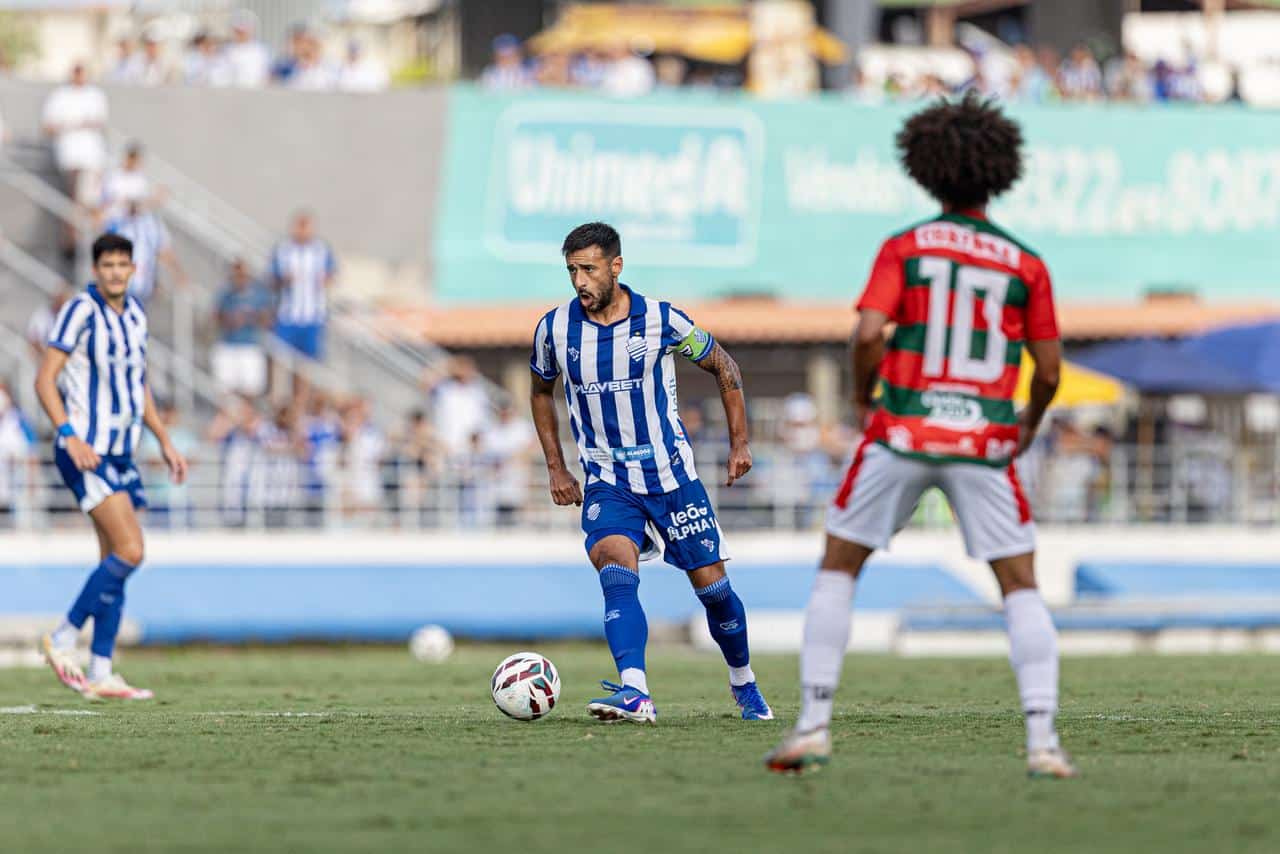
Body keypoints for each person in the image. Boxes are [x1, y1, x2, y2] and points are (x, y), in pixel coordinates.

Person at [764, 94, 1075, 778]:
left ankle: (813, 726)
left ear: (926, 168)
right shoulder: (1025, 264)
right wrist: (1025, 424)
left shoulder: (905, 247)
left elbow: (868, 333)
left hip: (900, 432)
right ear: (1000, 170)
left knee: (839, 566)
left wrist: (862, 397)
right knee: (1020, 585)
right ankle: (1043, 744)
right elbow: (1050, 371)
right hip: (984, 443)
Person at [530, 221, 772, 724]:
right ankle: (635, 691)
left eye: (589, 269)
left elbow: (725, 366)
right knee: (613, 567)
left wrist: (739, 442)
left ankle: (743, 682)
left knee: (714, 591)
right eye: (572, 271)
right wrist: (556, 467)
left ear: (616, 266)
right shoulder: (554, 328)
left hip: (671, 476)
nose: (579, 281)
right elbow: (539, 391)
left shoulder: (662, 319)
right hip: (607, 479)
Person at [35, 233, 188, 700]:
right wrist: (68, 434)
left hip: (120, 452)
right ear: (96, 269)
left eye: (123, 264)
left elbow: (137, 384)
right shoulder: (81, 311)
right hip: (86, 450)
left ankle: (101, 671)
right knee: (131, 550)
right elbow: (45, 379)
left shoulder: (136, 314)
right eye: (108, 264)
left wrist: (164, 439)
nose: (116, 272)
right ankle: (63, 637)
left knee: (113, 561)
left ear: (134, 269)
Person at [269, 211, 337, 361]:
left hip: (313, 315)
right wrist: (284, 280)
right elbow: (272, 280)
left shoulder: (321, 249)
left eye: (305, 227)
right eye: (299, 226)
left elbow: (332, 274)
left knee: (307, 362)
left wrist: (325, 280)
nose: (302, 231)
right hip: (288, 315)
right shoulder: (283, 249)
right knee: (280, 358)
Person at [41, 63, 109, 205]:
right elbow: (48, 126)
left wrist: (73, 124)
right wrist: (73, 125)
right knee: (75, 194)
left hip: (91, 154)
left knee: (88, 195)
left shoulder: (95, 95)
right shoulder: (60, 95)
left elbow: (99, 122)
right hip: (68, 152)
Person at [105, 201, 185, 306]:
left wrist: (177, 276)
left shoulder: (151, 224)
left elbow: (162, 252)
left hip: (141, 287)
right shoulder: (117, 221)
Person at [213, 258, 273, 397]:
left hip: (250, 345)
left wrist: (250, 317)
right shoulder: (225, 294)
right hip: (228, 345)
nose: (239, 279)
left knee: (250, 390)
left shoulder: (259, 295)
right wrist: (230, 320)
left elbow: (267, 320)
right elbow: (215, 316)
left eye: (242, 275)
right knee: (225, 392)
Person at [224, 13, 271, 89]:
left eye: (243, 31)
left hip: (255, 90)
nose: (241, 34)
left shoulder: (260, 50)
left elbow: (266, 74)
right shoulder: (227, 49)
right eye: (238, 31)